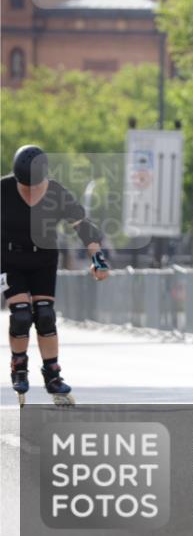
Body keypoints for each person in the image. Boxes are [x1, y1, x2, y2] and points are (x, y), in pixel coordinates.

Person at [1, 145, 110, 406]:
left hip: (44, 259)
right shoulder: (3, 190)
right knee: (21, 315)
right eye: (24, 185)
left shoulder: (56, 192)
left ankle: (52, 375)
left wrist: (98, 259)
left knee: (45, 316)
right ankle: (19, 365)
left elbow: (84, 227)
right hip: (9, 258)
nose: (29, 191)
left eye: (34, 185)